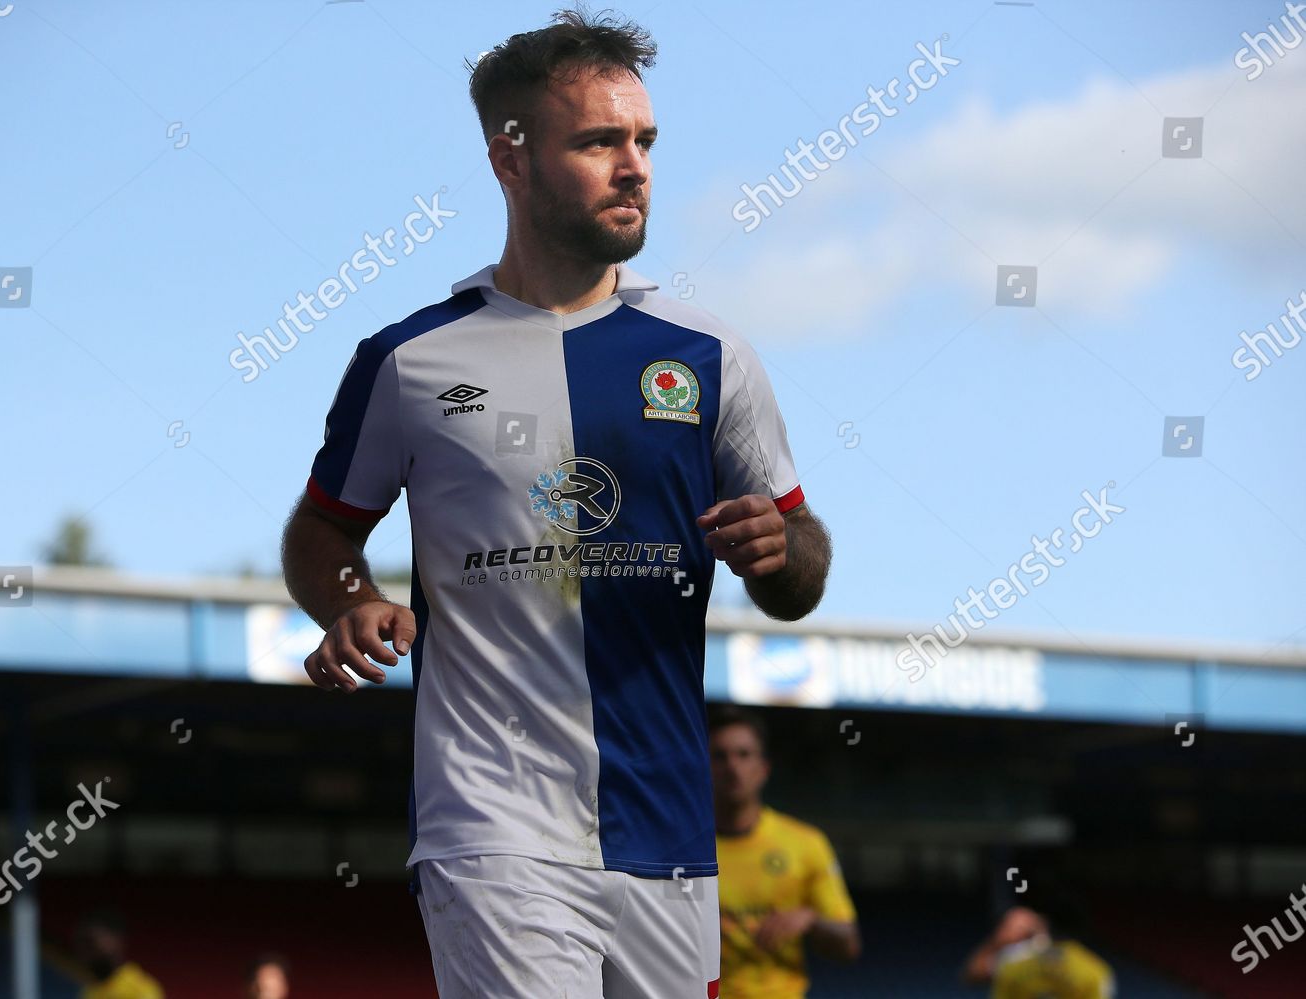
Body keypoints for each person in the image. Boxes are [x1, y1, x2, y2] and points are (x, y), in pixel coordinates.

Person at [281, 7, 832, 997]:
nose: (635, 166)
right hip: (492, 827)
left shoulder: (710, 356)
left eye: (644, 141)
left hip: (667, 833)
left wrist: (778, 548)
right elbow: (324, 530)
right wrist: (352, 598)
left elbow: (801, 572)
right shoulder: (408, 361)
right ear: (512, 157)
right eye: (599, 142)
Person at [710, 706, 860, 997]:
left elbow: (849, 945)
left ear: (763, 768)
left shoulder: (806, 843)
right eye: (719, 756)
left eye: (744, 754)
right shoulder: (683, 850)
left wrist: (811, 919)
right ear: (703, 766)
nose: (732, 766)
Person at [980, 893, 1115, 999]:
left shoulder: (1012, 963)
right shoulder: (1095, 972)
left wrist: (1000, 938)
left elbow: (972, 974)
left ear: (1043, 921)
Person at [73, 911, 163, 999]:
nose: (86, 954)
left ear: (116, 940)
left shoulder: (139, 990)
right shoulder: (89, 992)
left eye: (91, 944)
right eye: (81, 946)